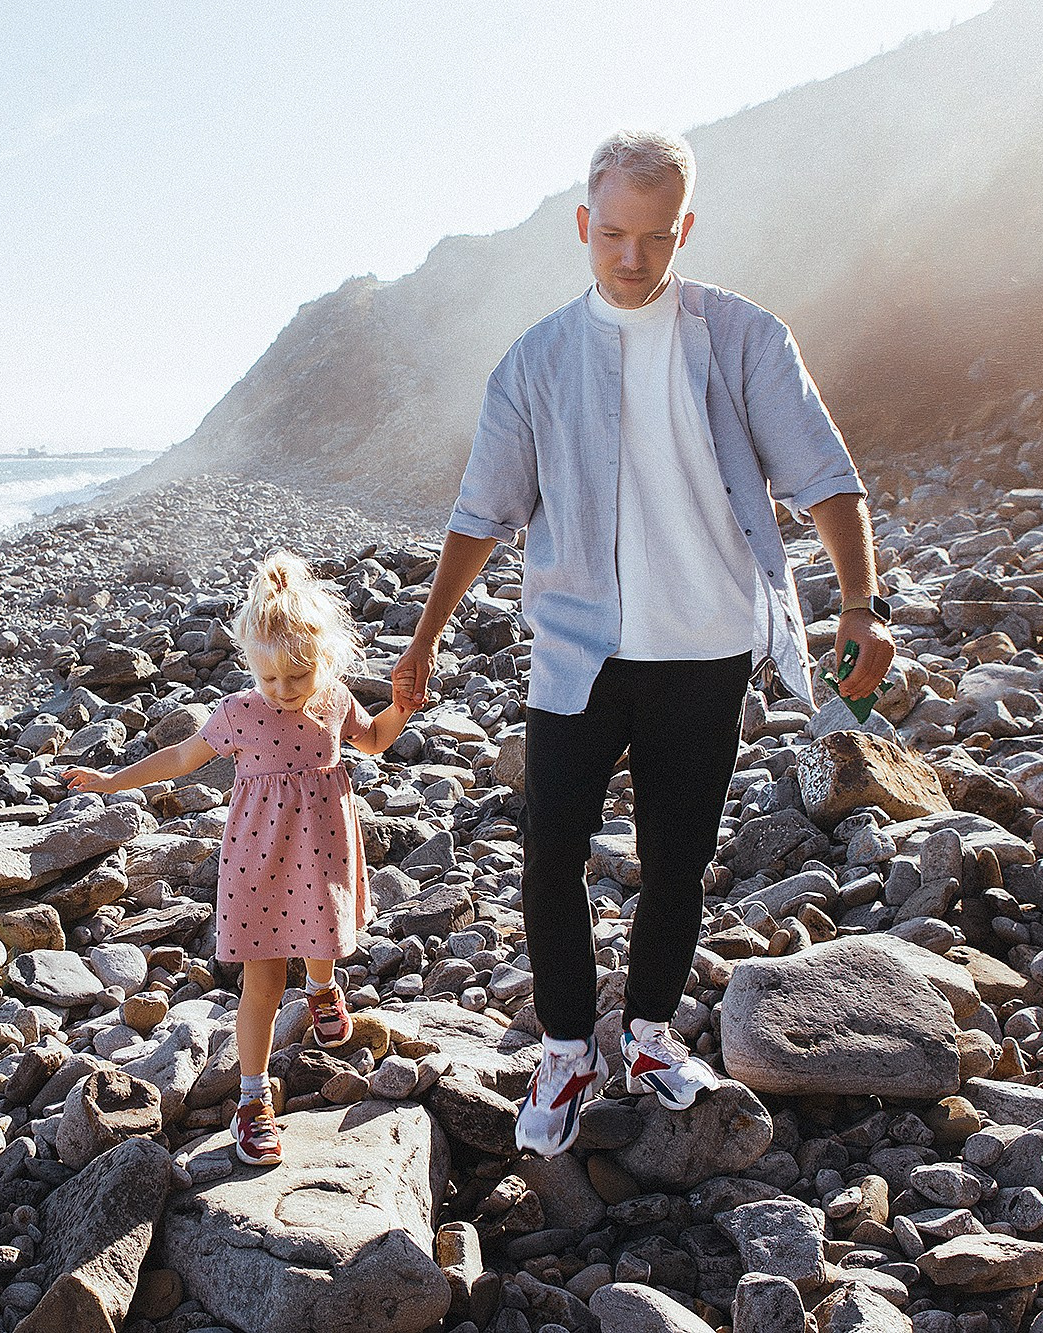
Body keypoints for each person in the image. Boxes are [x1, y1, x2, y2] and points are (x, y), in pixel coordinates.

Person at [392, 129, 896, 1157]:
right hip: (578, 648)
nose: (631, 257)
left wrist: (859, 605)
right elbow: (480, 512)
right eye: (611, 234)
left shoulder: (745, 338)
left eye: (653, 236)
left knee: (678, 860)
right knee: (547, 852)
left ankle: (653, 1035)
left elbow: (821, 474)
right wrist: (423, 641)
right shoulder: (532, 362)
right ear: (583, 225)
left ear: (684, 229)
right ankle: (569, 1047)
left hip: (704, 646)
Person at [66, 549, 417, 1166]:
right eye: (270, 678)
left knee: (322, 940)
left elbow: (378, 741)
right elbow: (180, 760)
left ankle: (323, 988)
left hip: (321, 849)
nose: (284, 691)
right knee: (261, 977)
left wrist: (402, 705)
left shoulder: (334, 701)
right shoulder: (239, 714)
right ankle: (252, 1100)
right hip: (258, 862)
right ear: (251, 665)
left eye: (299, 676)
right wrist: (110, 782)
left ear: (325, 660)